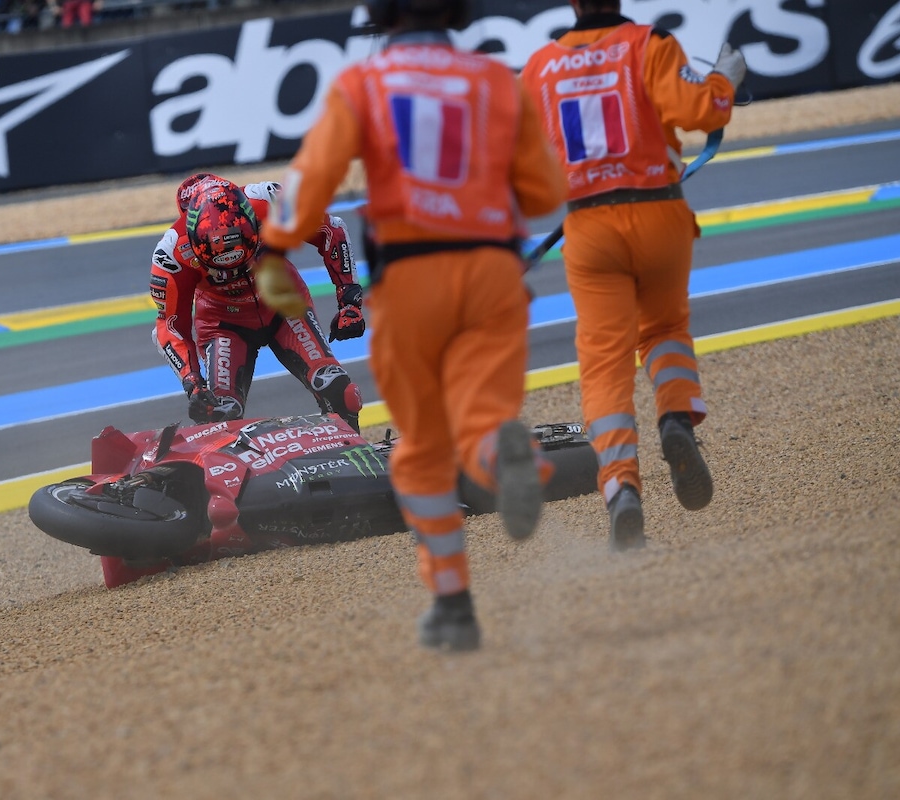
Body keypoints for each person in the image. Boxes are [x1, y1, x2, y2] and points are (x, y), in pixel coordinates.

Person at [256, 0, 567, 651]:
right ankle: (506, 455)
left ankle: (453, 605)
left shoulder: (362, 84)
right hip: (490, 271)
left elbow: (308, 182)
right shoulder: (495, 80)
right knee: (483, 417)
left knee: (423, 446)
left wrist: (277, 246)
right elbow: (542, 194)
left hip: (408, 278)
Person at [521, 0, 746, 550]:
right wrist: (724, 78)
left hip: (590, 226)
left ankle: (621, 487)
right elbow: (706, 111)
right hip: (659, 211)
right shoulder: (652, 45)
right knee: (666, 329)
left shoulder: (538, 68)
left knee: (603, 363)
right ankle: (675, 417)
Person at [151, 173, 367, 432]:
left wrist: (349, 301)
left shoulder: (271, 201)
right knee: (217, 413)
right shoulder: (171, 253)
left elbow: (332, 230)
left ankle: (353, 458)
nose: (233, 269)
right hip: (223, 325)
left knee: (339, 390)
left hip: (284, 305)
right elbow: (170, 326)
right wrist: (193, 383)